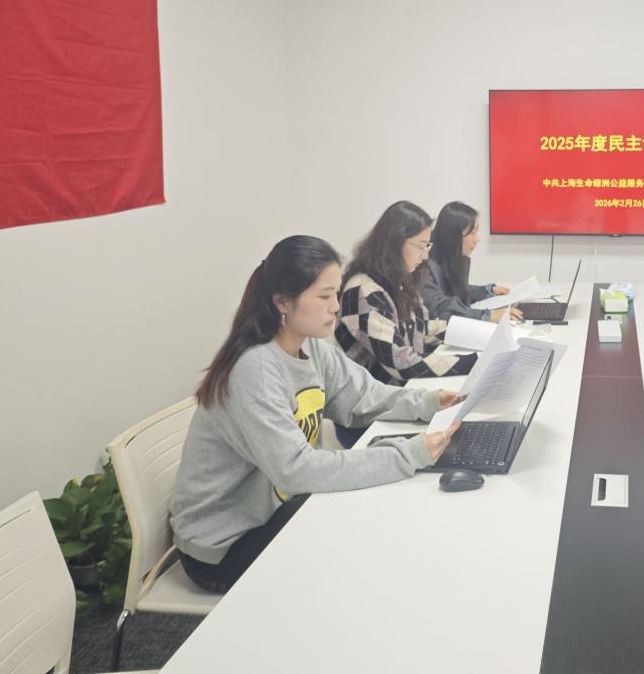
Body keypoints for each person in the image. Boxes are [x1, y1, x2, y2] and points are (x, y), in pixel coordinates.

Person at [170, 235, 460, 594]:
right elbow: (296, 469)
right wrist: (408, 454)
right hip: (225, 547)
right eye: (324, 296)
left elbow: (363, 398)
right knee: (361, 551)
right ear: (282, 302)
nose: (335, 307)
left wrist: (429, 403)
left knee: (369, 523)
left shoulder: (311, 348)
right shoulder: (255, 370)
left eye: (336, 294)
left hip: (274, 510)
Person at [336, 200, 476, 386]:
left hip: (402, 390)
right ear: (394, 243)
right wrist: (473, 363)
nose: (425, 256)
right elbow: (402, 364)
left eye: (427, 246)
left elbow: (423, 329)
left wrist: (478, 335)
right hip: (375, 397)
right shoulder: (363, 291)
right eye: (420, 246)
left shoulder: (400, 280)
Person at [422, 201, 520, 323]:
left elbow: (458, 289)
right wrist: (489, 316)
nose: (477, 239)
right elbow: (441, 307)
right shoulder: (425, 268)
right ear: (453, 236)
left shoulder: (452, 258)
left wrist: (488, 291)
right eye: (472, 233)